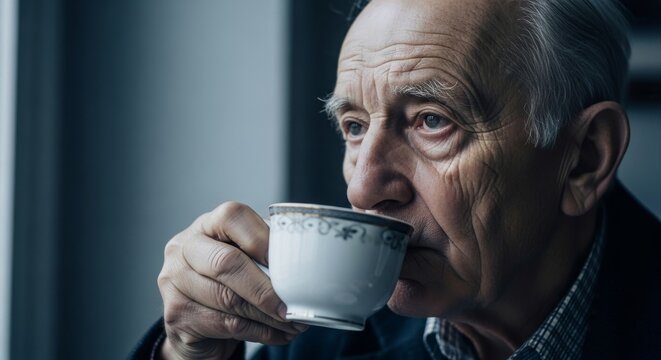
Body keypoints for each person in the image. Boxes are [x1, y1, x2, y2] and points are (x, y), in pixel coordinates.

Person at [131, 0, 661, 359]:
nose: (363, 189)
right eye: (354, 127)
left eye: (433, 121)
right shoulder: (320, 339)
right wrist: (186, 351)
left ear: (584, 159)